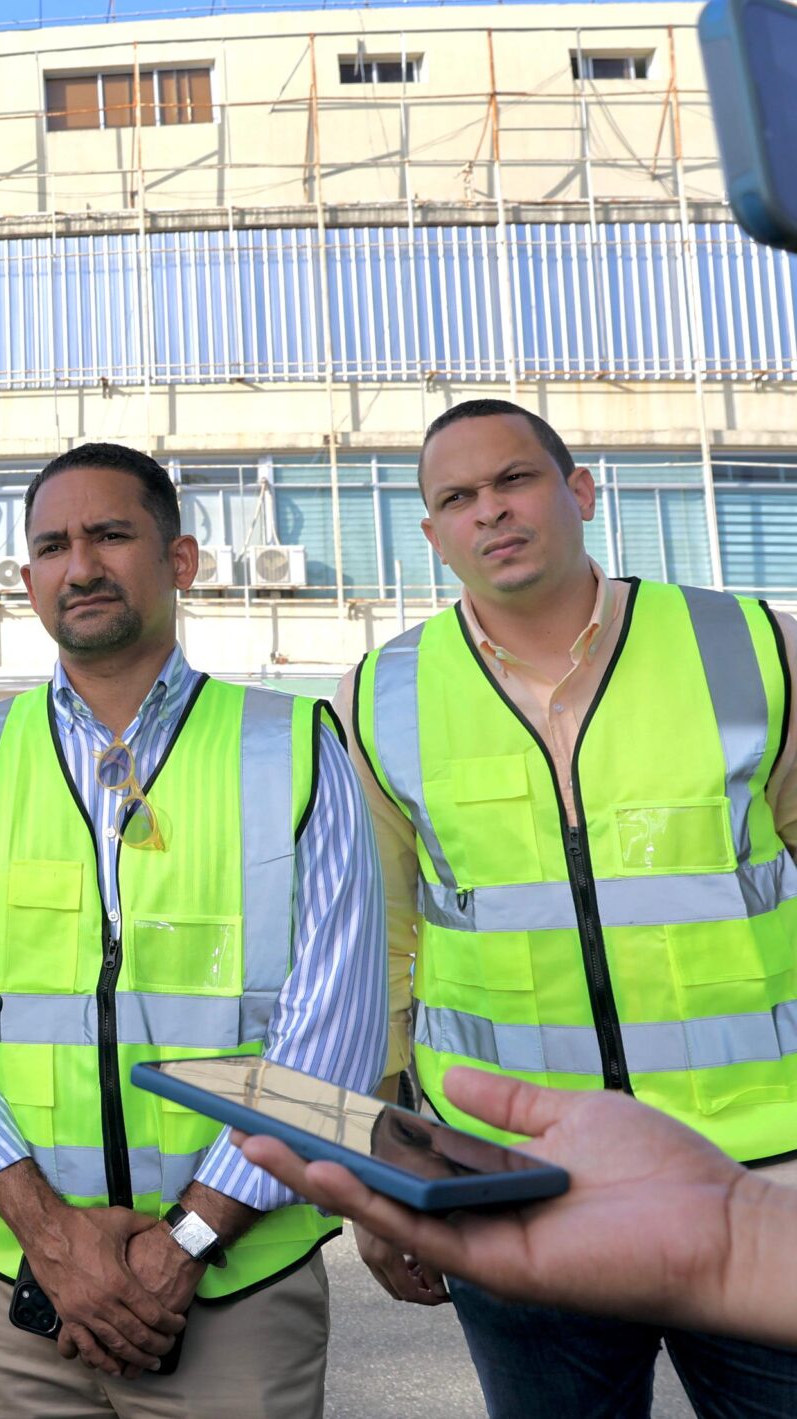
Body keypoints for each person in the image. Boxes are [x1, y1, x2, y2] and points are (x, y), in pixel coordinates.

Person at [0, 442, 385, 1419]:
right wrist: (50, 1236)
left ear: (180, 559)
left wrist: (187, 1240)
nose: (79, 566)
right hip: (13, 1282)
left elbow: (334, 1035)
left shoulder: (292, 747)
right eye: (51, 546)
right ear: (27, 577)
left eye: (110, 535)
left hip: (236, 1285)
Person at [335, 398, 797, 1417]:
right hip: (509, 1187)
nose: (490, 510)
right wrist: (383, 1173)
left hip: (765, 1175)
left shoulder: (750, 645)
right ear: (432, 533)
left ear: (579, 490)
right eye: (458, 497)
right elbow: (381, 952)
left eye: (514, 479)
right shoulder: (380, 696)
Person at [233, 1064, 797, 1354]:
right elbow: (389, 953)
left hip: (767, 1164)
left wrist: (745, 1235)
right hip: (480, 1168)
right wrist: (381, 1156)